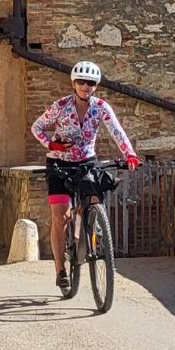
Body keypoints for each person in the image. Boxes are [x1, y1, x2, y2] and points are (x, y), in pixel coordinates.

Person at [30, 61, 140, 290]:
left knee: (91, 201)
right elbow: (37, 127)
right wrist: (51, 144)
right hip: (59, 163)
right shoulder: (60, 106)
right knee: (60, 217)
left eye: (90, 83)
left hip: (87, 161)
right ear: (74, 83)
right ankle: (61, 269)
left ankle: (91, 228)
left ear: (96, 86)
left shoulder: (101, 107)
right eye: (81, 82)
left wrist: (129, 154)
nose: (85, 86)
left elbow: (117, 131)